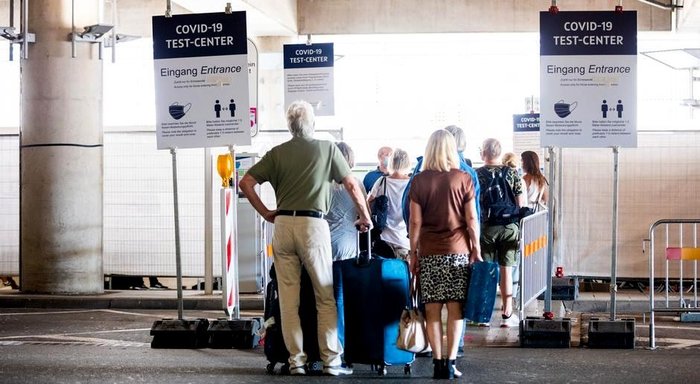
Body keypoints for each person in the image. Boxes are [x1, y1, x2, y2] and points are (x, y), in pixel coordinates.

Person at [239, 100, 371, 376]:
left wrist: (265, 212)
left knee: (289, 301)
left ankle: (296, 361)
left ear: (290, 125)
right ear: (313, 123)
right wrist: (364, 216)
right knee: (324, 296)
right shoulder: (327, 148)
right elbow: (350, 184)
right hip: (313, 225)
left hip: (283, 225)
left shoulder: (276, 153)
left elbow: (245, 182)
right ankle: (331, 361)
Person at [408, 130, 481, 380]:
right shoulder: (463, 179)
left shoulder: (419, 182)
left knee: (432, 311)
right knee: (455, 310)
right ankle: (451, 363)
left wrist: (412, 253)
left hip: (429, 253)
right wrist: (476, 249)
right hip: (459, 253)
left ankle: (437, 364)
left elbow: (415, 223)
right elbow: (472, 218)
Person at [477, 138, 526, 328]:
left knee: (488, 269)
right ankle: (507, 313)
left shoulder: (476, 174)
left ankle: (484, 315)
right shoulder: (512, 173)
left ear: (484, 154)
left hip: (486, 227)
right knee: (507, 268)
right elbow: (520, 204)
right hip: (509, 226)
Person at [326, 142, 368, 262]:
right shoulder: (356, 184)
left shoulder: (323, 185)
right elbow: (365, 214)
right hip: (349, 245)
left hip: (323, 244)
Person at [367, 148, 411, 260]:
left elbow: (368, 201)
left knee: (383, 274)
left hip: (384, 237)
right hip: (405, 240)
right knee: (404, 275)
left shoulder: (382, 181)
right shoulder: (412, 183)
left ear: (391, 162)